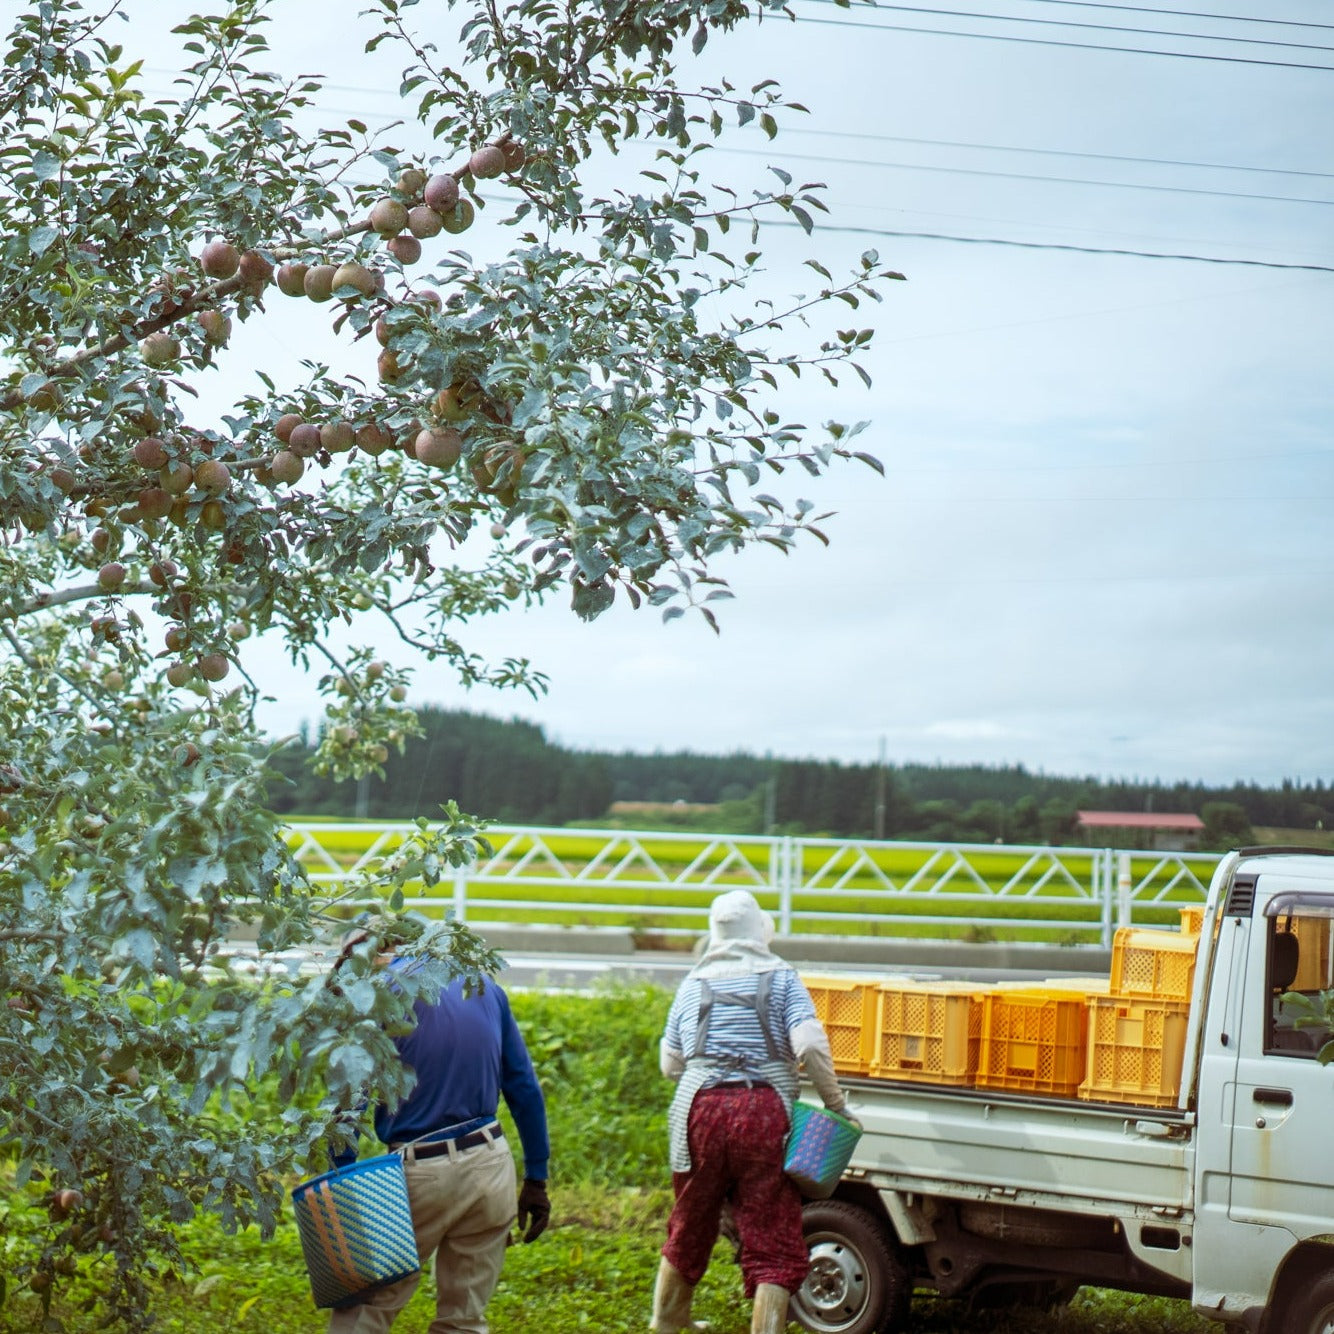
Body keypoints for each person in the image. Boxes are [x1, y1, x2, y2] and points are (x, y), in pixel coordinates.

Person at [650, 889, 855, 1334]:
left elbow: (670, 1064)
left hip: (698, 1110)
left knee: (691, 1214)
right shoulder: (781, 978)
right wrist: (837, 1105)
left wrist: (713, 1065)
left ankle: (666, 1321)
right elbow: (810, 1046)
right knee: (771, 1225)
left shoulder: (693, 983)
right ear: (759, 930)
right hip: (764, 1112)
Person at [327, 950, 551, 1334]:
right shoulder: (484, 985)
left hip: (420, 1171)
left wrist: (345, 1192)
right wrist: (536, 1178)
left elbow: (345, 1108)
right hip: (491, 1163)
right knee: (463, 1319)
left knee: (366, 1307)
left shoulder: (379, 995)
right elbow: (524, 1088)